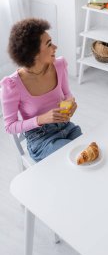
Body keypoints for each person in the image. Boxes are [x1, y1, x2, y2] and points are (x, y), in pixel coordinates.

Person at [0, 18, 82, 161]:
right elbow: (10, 126)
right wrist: (41, 119)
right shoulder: (12, 85)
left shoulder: (59, 65)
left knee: (88, 153)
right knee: (74, 160)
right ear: (34, 53)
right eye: (49, 44)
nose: (55, 47)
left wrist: (71, 103)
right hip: (40, 139)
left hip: (66, 127)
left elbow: (67, 94)